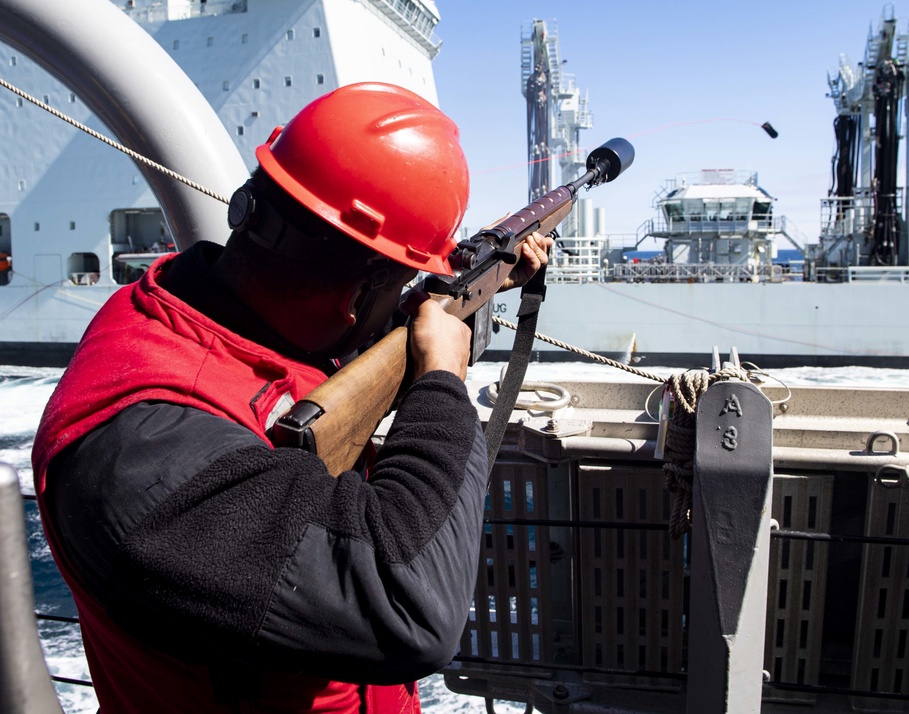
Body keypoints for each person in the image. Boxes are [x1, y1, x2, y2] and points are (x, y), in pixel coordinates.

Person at [31, 82, 551, 713]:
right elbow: (412, 606)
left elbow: (309, 366)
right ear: (358, 296)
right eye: (402, 282)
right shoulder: (144, 456)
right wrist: (440, 379)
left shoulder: (195, 311)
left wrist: (457, 301)